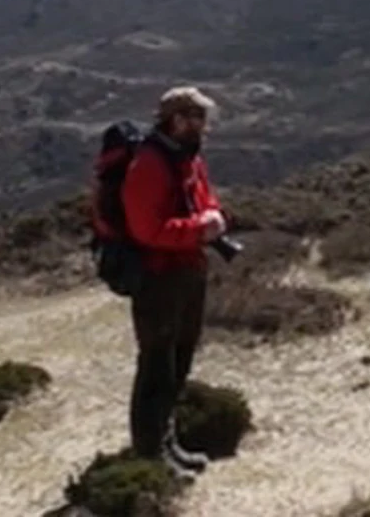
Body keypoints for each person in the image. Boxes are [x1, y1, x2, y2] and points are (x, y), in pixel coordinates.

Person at [120, 86, 227, 475]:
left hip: (187, 270)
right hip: (158, 276)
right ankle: (149, 456)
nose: (204, 126)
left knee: (179, 362)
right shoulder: (149, 163)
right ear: (177, 119)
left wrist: (210, 218)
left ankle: (168, 445)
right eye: (197, 117)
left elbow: (205, 199)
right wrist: (199, 230)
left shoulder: (188, 157)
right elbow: (147, 229)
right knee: (156, 367)